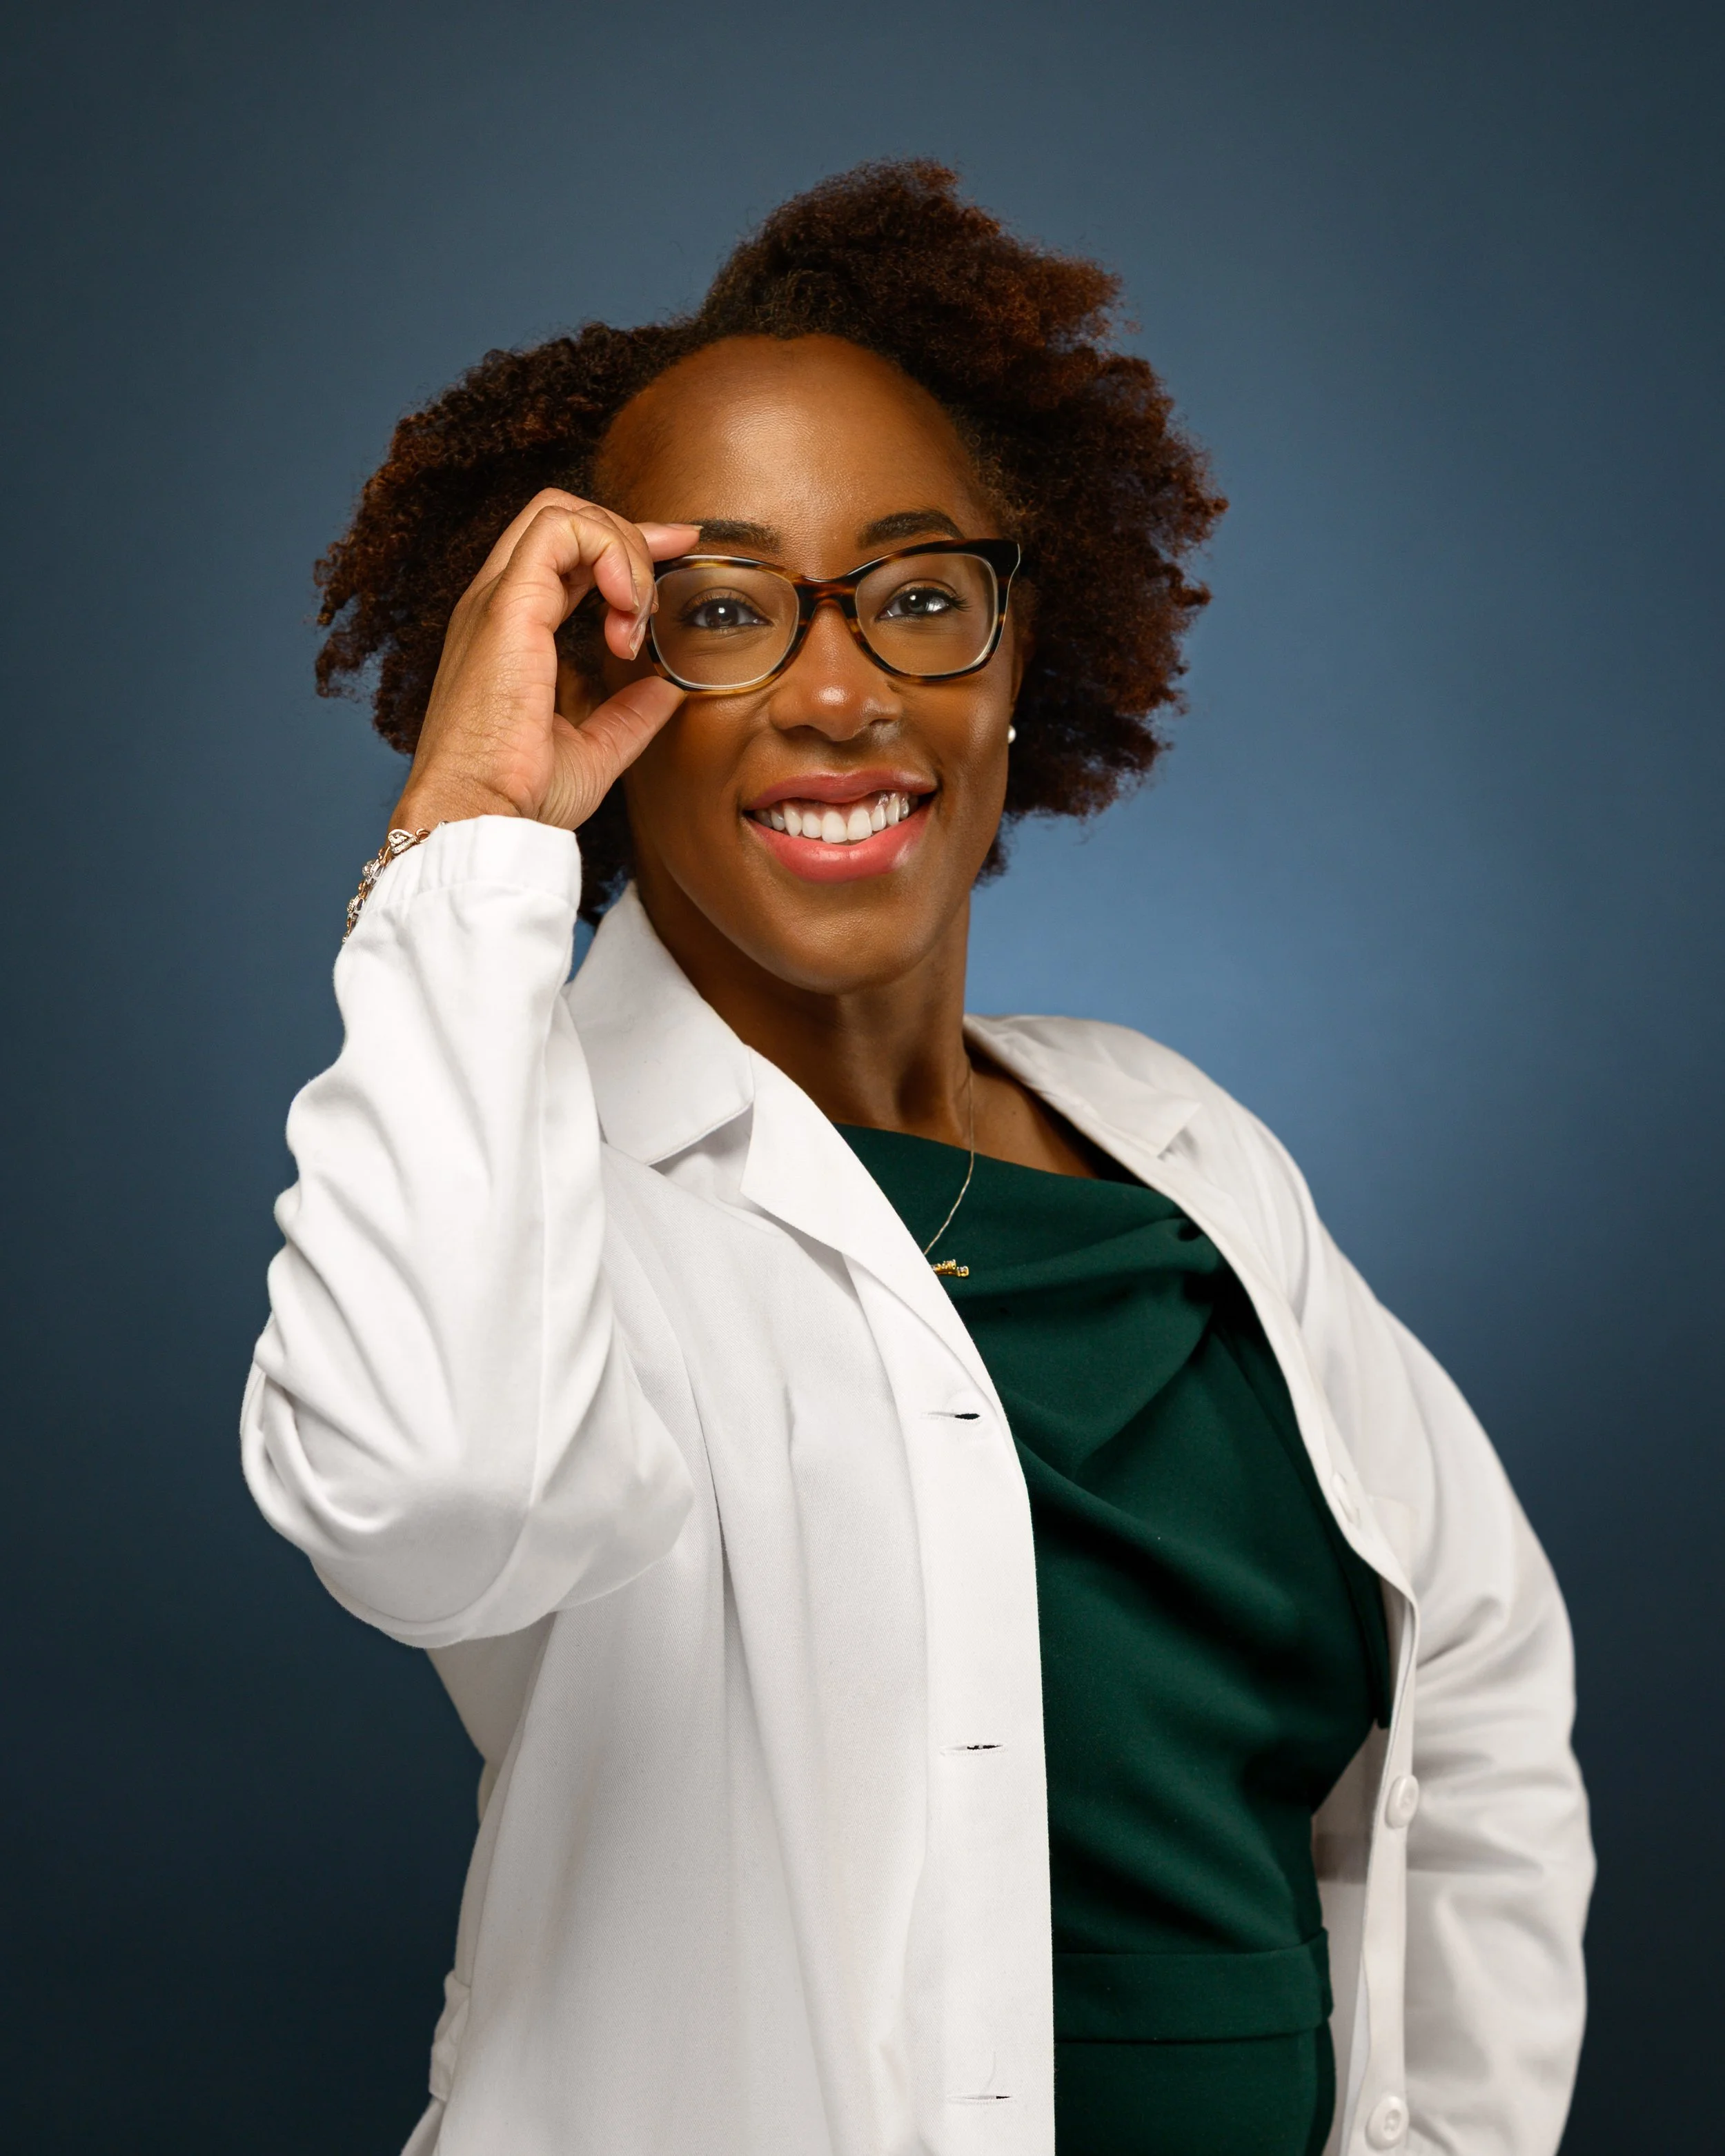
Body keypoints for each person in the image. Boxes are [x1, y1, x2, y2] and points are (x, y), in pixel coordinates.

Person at [241, 161, 1592, 2156]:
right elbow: (431, 1492)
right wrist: (465, 835)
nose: (837, 687)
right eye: (716, 614)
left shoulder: (1181, 1150)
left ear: (1016, 647)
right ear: (595, 684)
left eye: (917, 591)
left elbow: (1475, 1695)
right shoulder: (524, 1180)